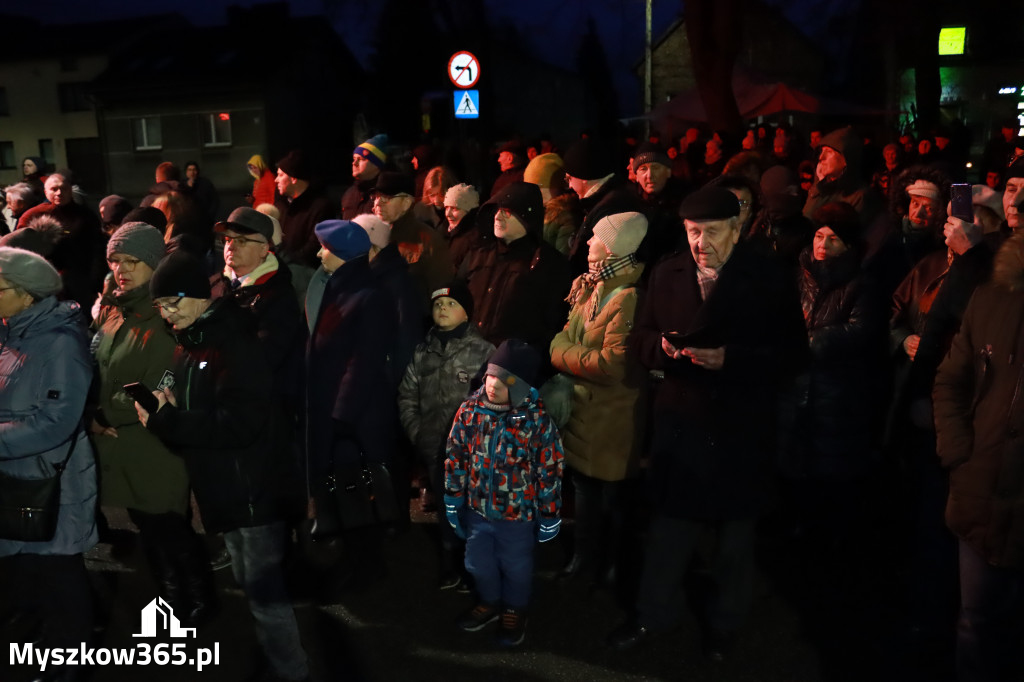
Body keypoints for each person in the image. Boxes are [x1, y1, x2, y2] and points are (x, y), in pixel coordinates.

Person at [607, 186, 807, 660]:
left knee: (734, 544)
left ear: (737, 228)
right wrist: (663, 349)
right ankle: (652, 615)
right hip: (682, 426)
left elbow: (793, 355)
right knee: (668, 536)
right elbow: (641, 339)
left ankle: (724, 626)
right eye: (693, 232)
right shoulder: (667, 272)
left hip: (740, 427)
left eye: (711, 232)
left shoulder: (768, 276)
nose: (701, 243)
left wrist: (730, 360)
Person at [138, 251, 311, 682]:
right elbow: (206, 409)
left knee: (265, 596)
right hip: (226, 487)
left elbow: (240, 423)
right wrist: (171, 410)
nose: (168, 311)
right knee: (250, 584)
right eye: (161, 304)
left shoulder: (232, 341)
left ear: (201, 296)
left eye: (175, 300)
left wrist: (170, 420)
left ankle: (293, 672)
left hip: (252, 490)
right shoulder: (192, 339)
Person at [90, 222, 214, 625]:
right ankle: (170, 593)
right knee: (148, 526)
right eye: (115, 260)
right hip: (121, 444)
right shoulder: (115, 309)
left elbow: (158, 385)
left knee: (170, 526)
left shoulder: (163, 316)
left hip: (154, 444)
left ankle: (197, 597)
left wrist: (108, 412)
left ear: (154, 263)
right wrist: (93, 410)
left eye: (133, 261)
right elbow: (101, 369)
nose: (122, 269)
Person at [0, 247, 97, 679]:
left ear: (27, 294)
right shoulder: (11, 333)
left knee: (60, 582)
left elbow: (56, 422)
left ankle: (68, 667)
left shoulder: (59, 342)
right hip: (16, 481)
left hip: (53, 486)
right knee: (32, 580)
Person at [933, 230, 1024, 682]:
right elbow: (952, 380)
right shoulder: (992, 298)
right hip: (981, 490)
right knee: (976, 624)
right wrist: (958, 453)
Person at [778, 202, 887, 546]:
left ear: (848, 246)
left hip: (835, 396)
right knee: (789, 466)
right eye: (819, 235)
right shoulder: (797, 276)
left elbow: (858, 330)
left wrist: (804, 341)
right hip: (793, 390)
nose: (822, 244)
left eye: (833, 238)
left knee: (827, 476)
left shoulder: (860, 284)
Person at [444, 339, 565, 647]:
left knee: (516, 565)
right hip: (478, 510)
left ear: (522, 386)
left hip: (517, 516)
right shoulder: (470, 411)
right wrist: (453, 497)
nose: (494, 384)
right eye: (491, 375)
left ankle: (514, 607)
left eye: (506, 380)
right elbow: (456, 454)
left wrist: (550, 512)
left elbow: (549, 468)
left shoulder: (536, 421)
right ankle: (490, 600)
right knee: (476, 562)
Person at [550, 211, 648, 589]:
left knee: (609, 499)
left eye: (594, 237)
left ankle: (610, 565)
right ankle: (584, 559)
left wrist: (563, 353)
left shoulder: (627, 299)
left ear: (611, 248)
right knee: (585, 493)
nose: (587, 241)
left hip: (611, 419)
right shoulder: (591, 286)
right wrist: (568, 350)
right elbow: (564, 336)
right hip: (585, 410)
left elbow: (610, 366)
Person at [398, 283, 494, 589]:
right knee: (446, 508)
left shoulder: (485, 352)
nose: (443, 308)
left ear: (467, 313)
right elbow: (407, 394)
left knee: (473, 509)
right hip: (434, 448)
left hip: (470, 452)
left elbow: (498, 399)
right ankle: (450, 563)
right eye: (439, 303)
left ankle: (475, 567)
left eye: (451, 303)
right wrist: (417, 431)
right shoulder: (423, 351)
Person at [458, 181, 571, 360]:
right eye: (497, 210)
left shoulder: (548, 264)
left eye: (508, 212)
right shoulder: (479, 253)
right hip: (464, 359)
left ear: (527, 217)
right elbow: (456, 297)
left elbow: (552, 324)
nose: (498, 217)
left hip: (509, 370)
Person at [16, 170, 107, 316]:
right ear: (45, 191)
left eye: (63, 188)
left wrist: (94, 282)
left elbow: (98, 250)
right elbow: (19, 251)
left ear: (70, 190)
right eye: (54, 189)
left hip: (80, 282)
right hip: (44, 284)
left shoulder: (85, 216)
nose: (59, 193)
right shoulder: (32, 216)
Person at [372, 172, 454, 308]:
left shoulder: (428, 241)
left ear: (406, 203)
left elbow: (440, 293)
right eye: (376, 196)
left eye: (386, 197)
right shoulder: (367, 235)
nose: (378, 202)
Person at [275, 150, 336, 268]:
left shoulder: (320, 207)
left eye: (280, 175)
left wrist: (287, 264)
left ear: (293, 178)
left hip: (304, 275)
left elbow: (313, 248)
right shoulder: (280, 205)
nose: (276, 180)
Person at [341, 134, 388, 219]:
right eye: (354, 159)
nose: (354, 163)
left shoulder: (386, 194)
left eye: (361, 159)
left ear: (376, 164)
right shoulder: (350, 193)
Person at [442, 183, 483, 270]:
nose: (448, 214)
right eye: (446, 208)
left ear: (469, 212)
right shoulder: (442, 230)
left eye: (455, 209)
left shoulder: (474, 240)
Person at [413, 166, 457, 230]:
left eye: (441, 195)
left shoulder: (460, 211)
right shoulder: (420, 210)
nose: (436, 201)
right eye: (432, 195)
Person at [181, 161, 218, 225]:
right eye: (189, 170)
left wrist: (210, 216)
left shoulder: (206, 183)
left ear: (197, 171)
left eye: (194, 170)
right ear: (186, 172)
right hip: (188, 219)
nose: (192, 173)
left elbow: (214, 200)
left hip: (204, 218)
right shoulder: (181, 185)